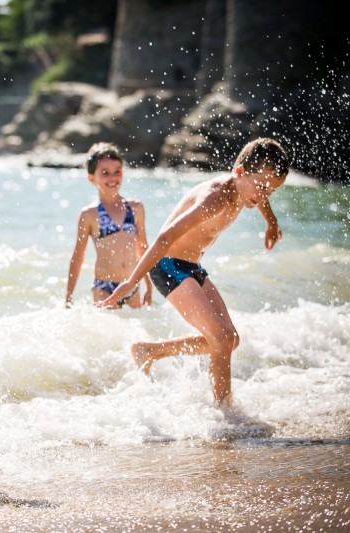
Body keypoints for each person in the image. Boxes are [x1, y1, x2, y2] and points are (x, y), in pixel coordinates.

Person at [97, 137, 290, 406]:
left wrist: (271, 222)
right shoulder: (215, 198)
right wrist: (131, 281)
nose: (263, 196)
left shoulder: (248, 188)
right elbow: (165, 237)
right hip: (167, 265)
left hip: (191, 266)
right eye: (261, 188)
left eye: (270, 191)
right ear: (240, 172)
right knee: (221, 339)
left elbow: (260, 195)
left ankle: (149, 351)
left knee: (230, 340)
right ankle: (225, 411)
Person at [66, 142, 152, 309]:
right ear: (92, 178)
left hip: (131, 285)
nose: (112, 178)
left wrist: (149, 284)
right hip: (104, 288)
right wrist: (69, 296)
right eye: (105, 173)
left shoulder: (135, 208)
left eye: (117, 172)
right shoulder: (89, 215)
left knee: (135, 331)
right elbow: (78, 256)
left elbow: (143, 249)